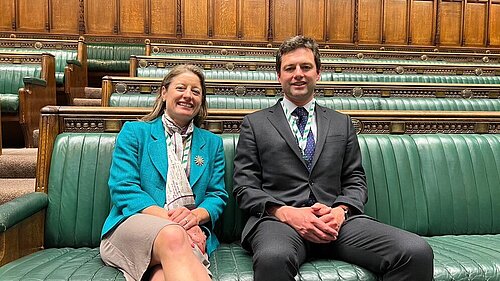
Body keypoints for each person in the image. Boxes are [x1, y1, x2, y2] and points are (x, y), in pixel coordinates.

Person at [233, 36, 434, 281]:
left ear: (318, 73)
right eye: (290, 68)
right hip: (281, 222)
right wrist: (287, 213)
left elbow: (355, 179)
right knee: (273, 258)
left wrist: (340, 211)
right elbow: (244, 187)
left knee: (416, 252)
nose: (298, 74)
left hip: (337, 222)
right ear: (279, 75)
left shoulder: (342, 122)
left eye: (306, 67)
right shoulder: (255, 123)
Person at [100, 64, 229, 281]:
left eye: (195, 92)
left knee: (161, 276)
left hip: (190, 230)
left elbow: (217, 196)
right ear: (164, 92)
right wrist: (177, 223)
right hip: (134, 225)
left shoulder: (212, 143)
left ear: (201, 101)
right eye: (181, 88)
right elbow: (124, 189)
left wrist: (194, 217)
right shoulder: (135, 132)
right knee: (172, 234)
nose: (188, 95)